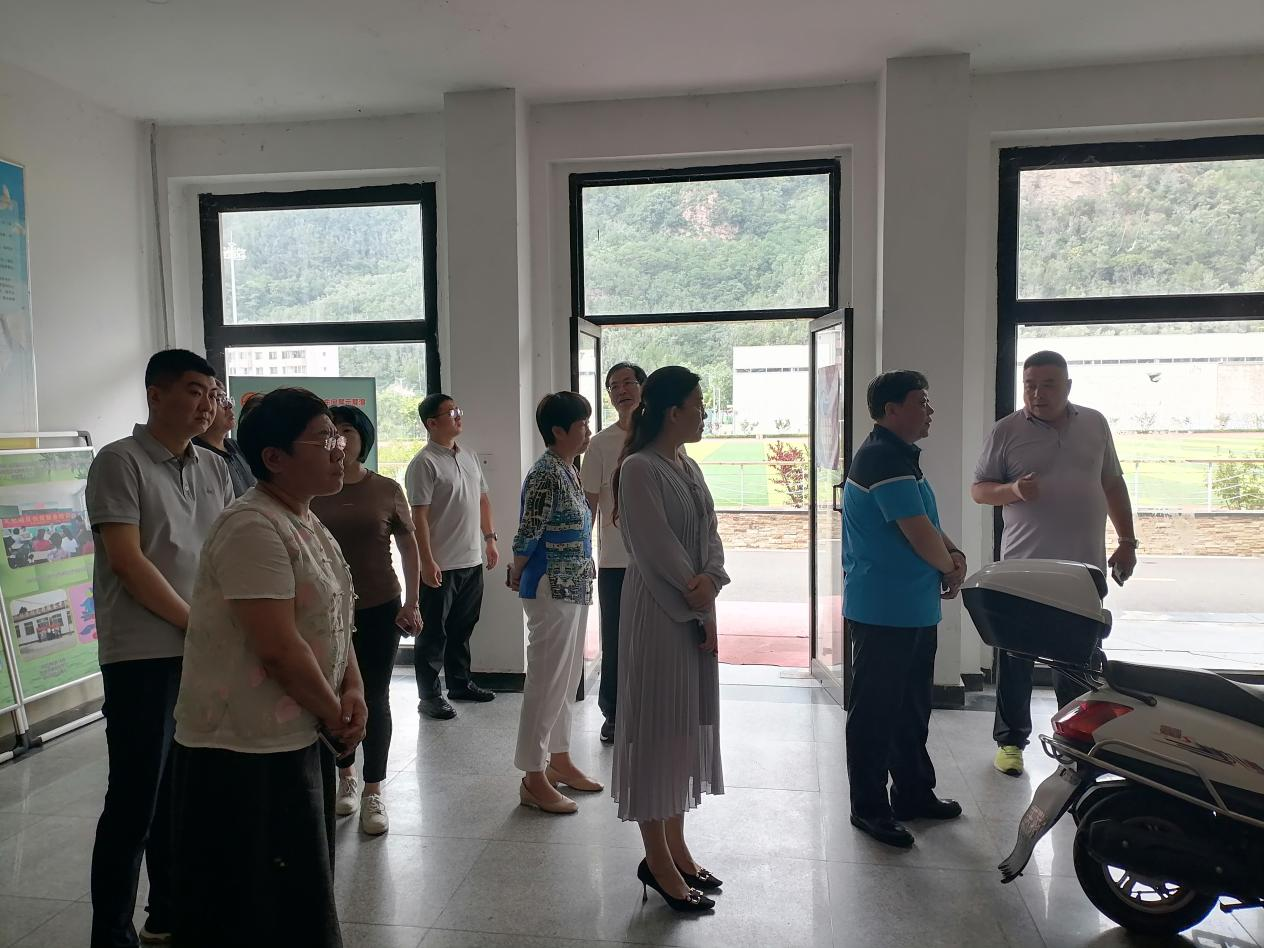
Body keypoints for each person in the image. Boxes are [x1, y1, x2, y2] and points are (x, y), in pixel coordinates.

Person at [171, 388, 367, 948]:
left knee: (299, 893)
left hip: (298, 731)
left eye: (339, 436)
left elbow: (333, 616)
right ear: (275, 457)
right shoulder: (252, 526)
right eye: (324, 439)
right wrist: (335, 714)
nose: (340, 448)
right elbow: (278, 646)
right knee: (255, 907)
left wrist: (353, 686)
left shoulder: (304, 519)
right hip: (243, 748)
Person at [86, 349, 233, 948]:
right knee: (136, 798)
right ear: (155, 394)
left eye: (212, 394)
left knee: (182, 794)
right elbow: (127, 561)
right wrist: (195, 623)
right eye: (195, 391)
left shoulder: (214, 466)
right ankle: (110, 933)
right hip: (142, 655)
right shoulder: (118, 461)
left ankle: (167, 913)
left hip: (203, 649)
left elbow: (224, 553)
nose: (207, 404)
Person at [971, 349, 1136, 777]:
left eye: (1047, 385)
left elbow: (1112, 482)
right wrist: (1013, 491)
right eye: (1029, 385)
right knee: (1016, 659)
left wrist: (1127, 541)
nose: (1037, 393)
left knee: (1078, 662)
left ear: (1067, 386)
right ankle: (1010, 743)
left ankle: (1076, 746)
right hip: (1022, 571)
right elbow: (980, 490)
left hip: (1083, 571)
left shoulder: (1095, 424)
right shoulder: (1006, 431)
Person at [611, 366, 728, 914]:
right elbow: (655, 547)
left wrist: (713, 580)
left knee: (681, 730)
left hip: (694, 608)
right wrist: (696, 594)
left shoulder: (688, 464)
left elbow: (710, 532)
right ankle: (656, 859)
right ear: (671, 411)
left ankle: (678, 849)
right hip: (659, 611)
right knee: (657, 731)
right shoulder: (638, 468)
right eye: (697, 405)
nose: (704, 413)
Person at [842, 370, 965, 850]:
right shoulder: (882, 459)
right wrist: (951, 566)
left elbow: (927, 522)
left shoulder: (901, 457)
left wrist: (953, 555)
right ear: (891, 410)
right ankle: (869, 807)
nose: (929, 410)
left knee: (911, 709)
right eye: (921, 402)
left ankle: (913, 792)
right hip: (884, 608)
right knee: (876, 713)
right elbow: (916, 532)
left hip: (912, 606)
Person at [311, 405, 423, 835]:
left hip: (378, 605)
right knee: (331, 696)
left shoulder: (385, 489)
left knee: (374, 696)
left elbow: (409, 547)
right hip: (324, 611)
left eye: (346, 431)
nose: (339, 440)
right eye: (331, 432)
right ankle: (346, 776)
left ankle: (374, 790)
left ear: (363, 437)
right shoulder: (314, 488)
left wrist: (413, 602)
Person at [507, 392, 601, 815]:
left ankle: (559, 759)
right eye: (582, 425)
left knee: (563, 681)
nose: (587, 432)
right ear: (559, 431)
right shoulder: (546, 473)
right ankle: (533, 775)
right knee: (545, 682)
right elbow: (529, 530)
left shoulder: (568, 469)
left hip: (574, 584)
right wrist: (516, 568)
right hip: (551, 586)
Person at [405, 394, 499, 719]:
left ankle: (459, 683)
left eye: (458, 410)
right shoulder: (424, 463)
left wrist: (490, 539)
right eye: (451, 412)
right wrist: (427, 561)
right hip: (441, 564)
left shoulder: (468, 455)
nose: (458, 416)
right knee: (433, 633)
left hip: (471, 560)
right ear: (432, 423)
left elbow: (482, 500)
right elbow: (418, 517)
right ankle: (429, 696)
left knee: (463, 627)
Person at [580, 361, 646, 744]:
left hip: (657, 562)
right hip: (616, 563)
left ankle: (650, 710)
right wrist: (584, 552)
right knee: (617, 640)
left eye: (628, 383)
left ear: (643, 387)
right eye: (613, 386)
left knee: (655, 640)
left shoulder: (661, 436)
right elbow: (588, 505)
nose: (621, 391)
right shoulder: (600, 444)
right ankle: (614, 713)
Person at [194, 379, 256, 497]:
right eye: (220, 400)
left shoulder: (237, 446)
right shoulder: (194, 456)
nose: (229, 405)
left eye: (227, 399)